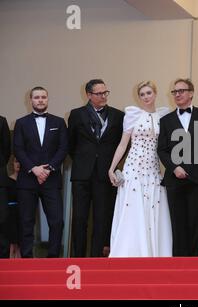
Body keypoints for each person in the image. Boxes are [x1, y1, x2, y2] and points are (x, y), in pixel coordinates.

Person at [108, 81, 172, 257]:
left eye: (149, 93)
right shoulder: (132, 114)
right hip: (133, 168)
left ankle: (152, 252)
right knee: (133, 207)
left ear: (155, 94)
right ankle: (130, 251)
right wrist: (112, 168)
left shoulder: (163, 116)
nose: (145, 97)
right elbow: (122, 144)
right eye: (142, 94)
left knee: (153, 205)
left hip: (153, 168)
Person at [68, 79, 124, 257]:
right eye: (99, 93)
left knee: (102, 218)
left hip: (105, 174)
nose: (103, 96)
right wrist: (84, 160)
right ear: (89, 95)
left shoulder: (117, 115)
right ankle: (78, 257)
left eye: (105, 92)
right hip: (82, 174)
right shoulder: (77, 114)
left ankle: (96, 258)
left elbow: (122, 145)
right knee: (79, 218)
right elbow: (71, 144)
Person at [157, 78, 198, 256]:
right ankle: (178, 263)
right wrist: (174, 167)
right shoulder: (166, 120)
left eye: (181, 90)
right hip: (174, 179)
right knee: (177, 221)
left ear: (191, 93)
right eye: (175, 92)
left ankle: (196, 263)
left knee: (197, 221)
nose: (178, 94)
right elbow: (162, 149)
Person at [13, 86, 68, 258]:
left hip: (51, 179)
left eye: (43, 97)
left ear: (47, 99)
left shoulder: (59, 122)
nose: (40, 100)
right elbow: (18, 149)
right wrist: (34, 169)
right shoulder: (21, 123)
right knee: (26, 221)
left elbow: (63, 148)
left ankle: (53, 258)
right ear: (30, 100)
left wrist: (49, 168)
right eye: (37, 97)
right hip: (27, 179)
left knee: (57, 221)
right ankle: (27, 258)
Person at [0, 115, 11, 259]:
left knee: (2, 221)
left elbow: (6, 151)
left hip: (0, 182)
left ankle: (3, 260)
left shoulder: (1, 121)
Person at [7, 158, 21, 258]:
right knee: (12, 242)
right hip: (10, 213)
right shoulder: (7, 180)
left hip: (22, 212)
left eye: (20, 161)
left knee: (21, 242)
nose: (18, 164)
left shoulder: (26, 182)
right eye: (16, 161)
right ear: (12, 163)